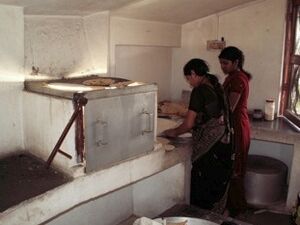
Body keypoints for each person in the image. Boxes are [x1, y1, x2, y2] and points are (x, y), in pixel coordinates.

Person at [163, 58, 234, 212]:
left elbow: (189, 124)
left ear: (194, 73)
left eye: (189, 78)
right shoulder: (215, 85)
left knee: (203, 184)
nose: (189, 82)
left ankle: (202, 218)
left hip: (211, 146)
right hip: (225, 142)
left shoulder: (200, 90)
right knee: (217, 183)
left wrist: (171, 132)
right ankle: (217, 216)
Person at [218, 46, 251, 217]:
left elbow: (229, 107)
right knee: (231, 168)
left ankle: (238, 210)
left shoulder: (238, 79)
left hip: (237, 126)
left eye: (225, 63)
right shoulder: (233, 76)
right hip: (235, 124)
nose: (222, 66)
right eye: (221, 63)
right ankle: (232, 208)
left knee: (235, 169)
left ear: (236, 62)